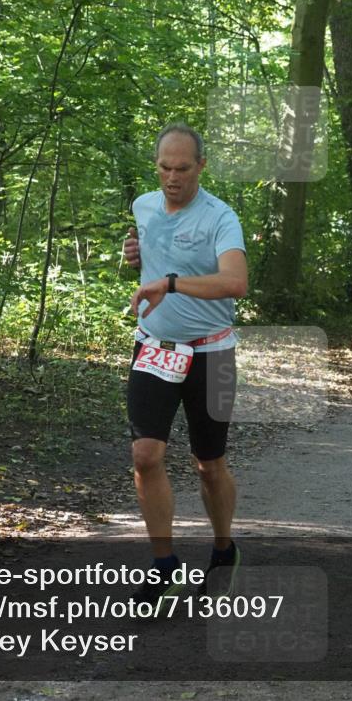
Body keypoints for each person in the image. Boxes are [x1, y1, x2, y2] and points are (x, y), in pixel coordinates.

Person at [123, 123, 247, 604]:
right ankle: (163, 562)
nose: (171, 178)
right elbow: (146, 262)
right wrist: (133, 257)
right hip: (154, 345)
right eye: (163, 168)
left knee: (208, 464)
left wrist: (170, 283)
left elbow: (235, 283)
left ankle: (222, 548)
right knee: (144, 455)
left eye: (181, 168)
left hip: (211, 352)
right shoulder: (144, 205)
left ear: (201, 166)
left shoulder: (221, 217)